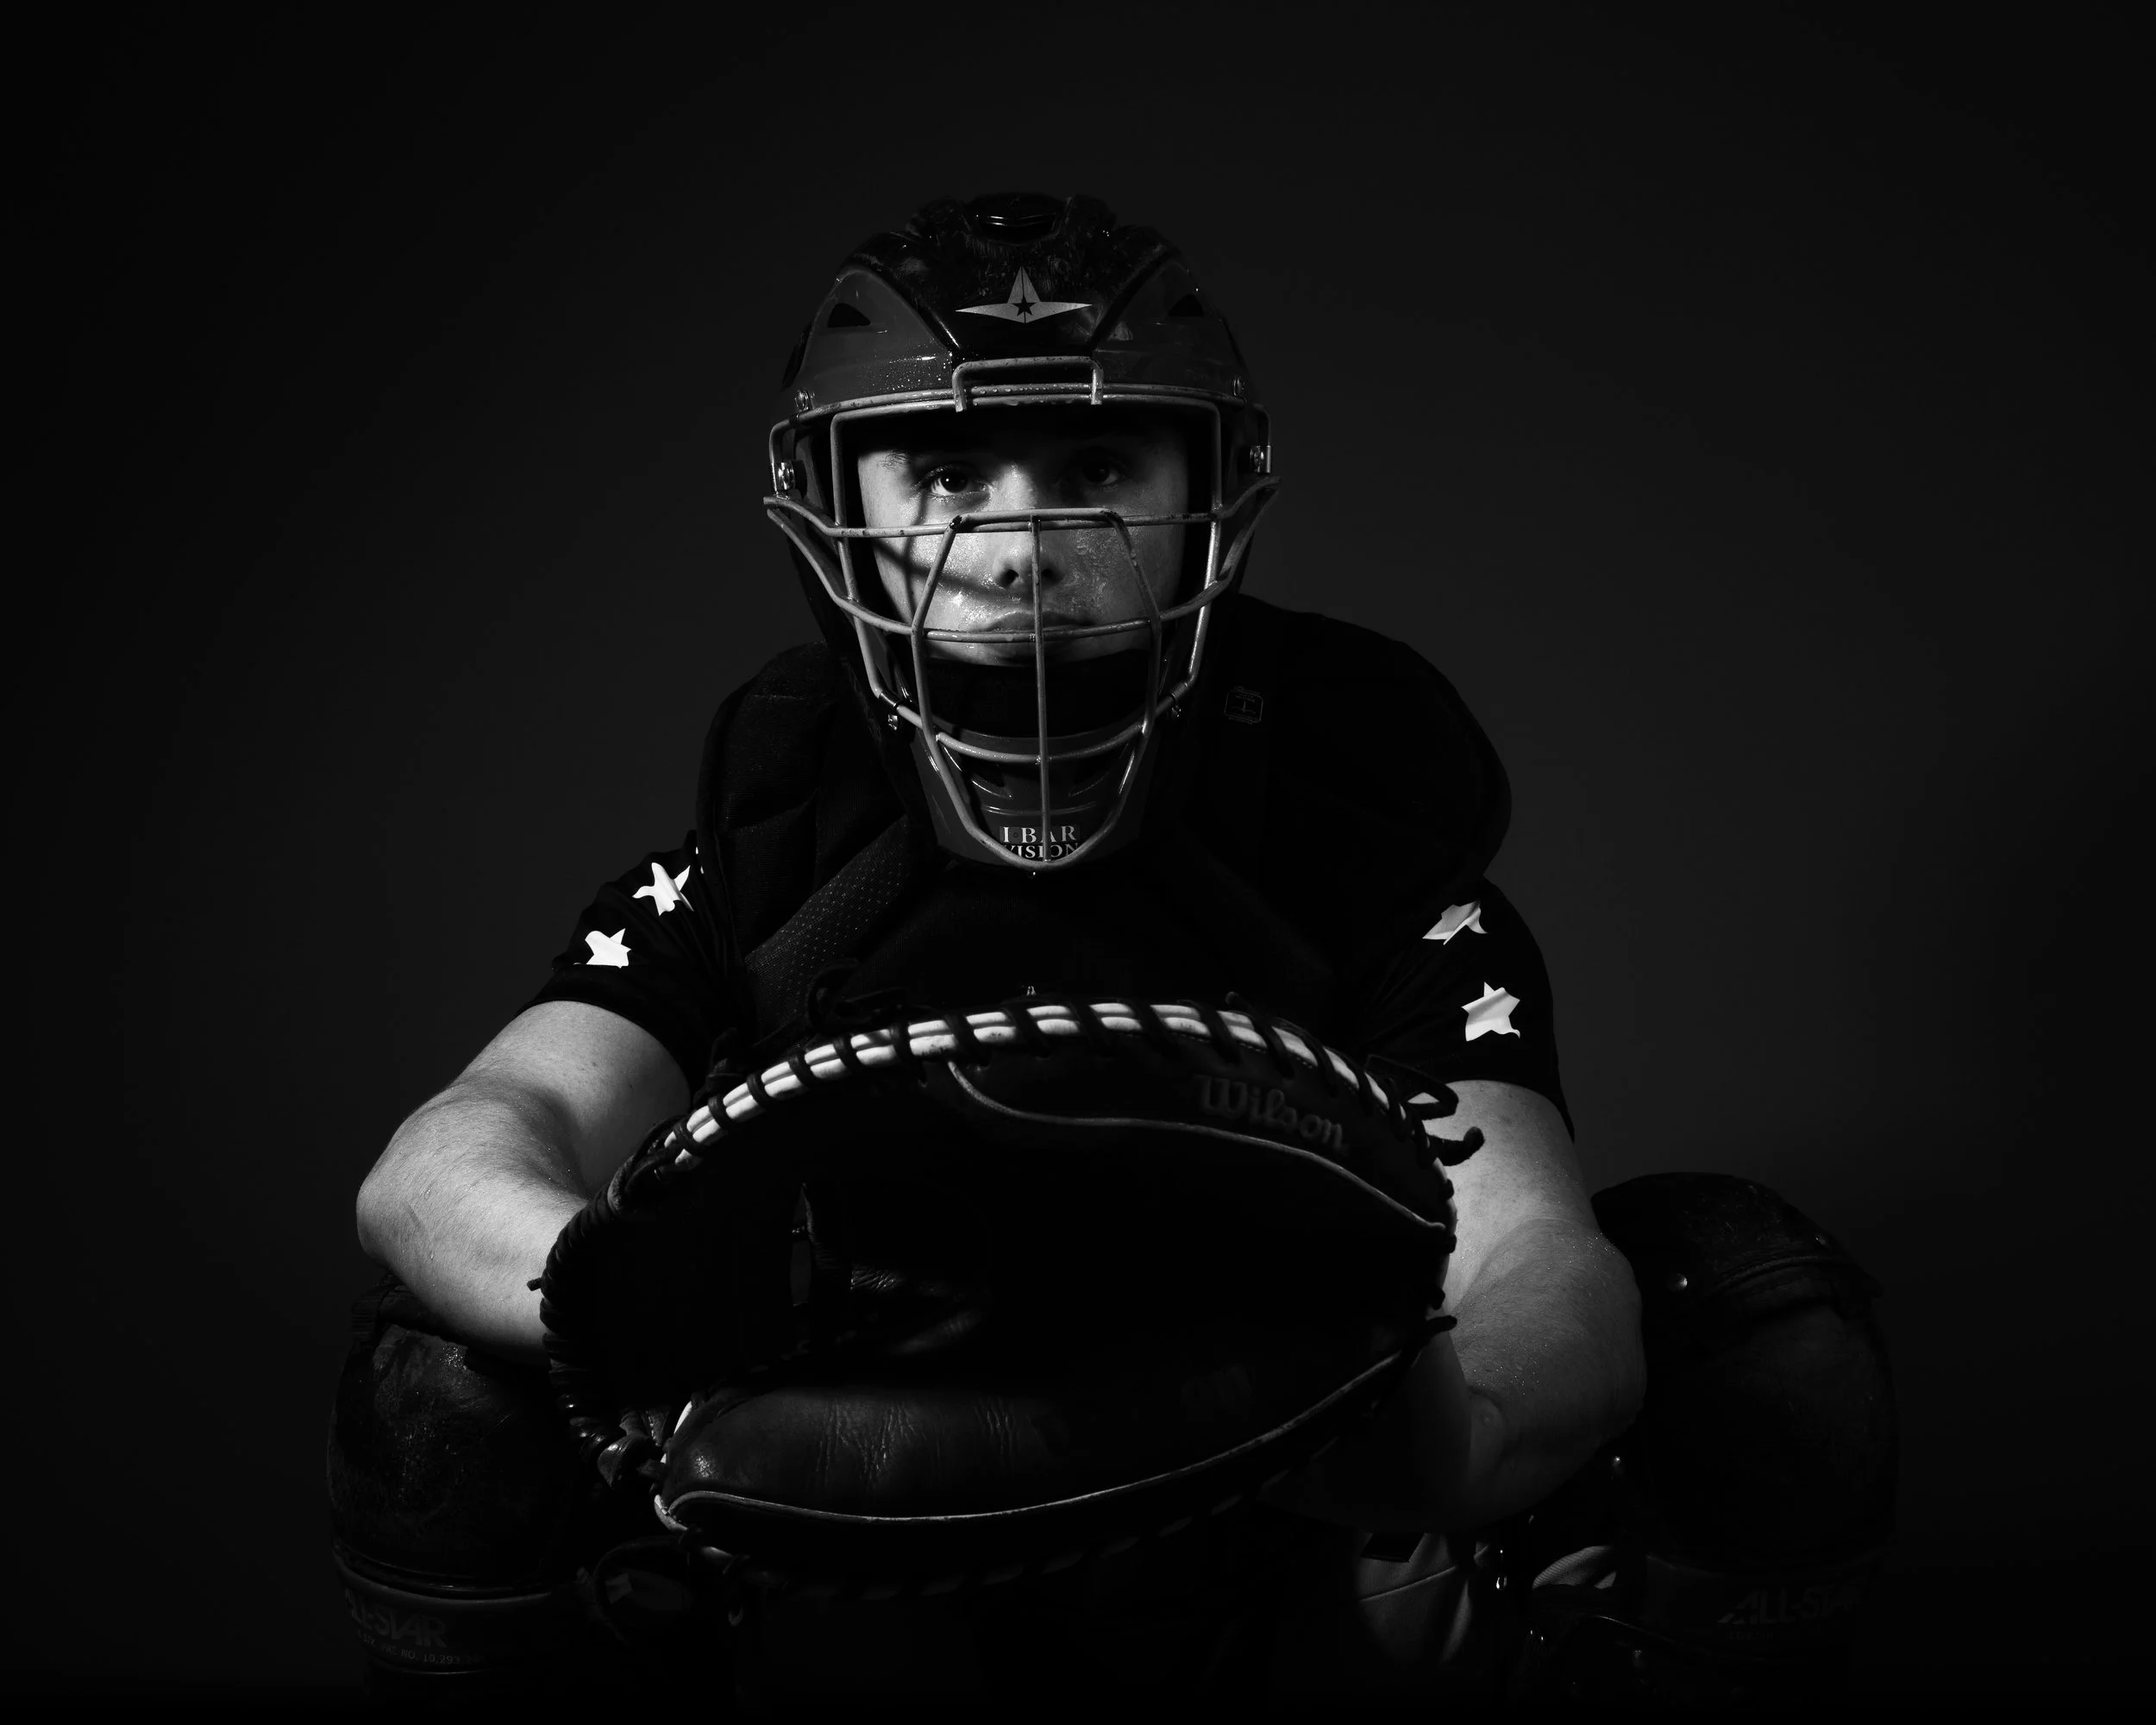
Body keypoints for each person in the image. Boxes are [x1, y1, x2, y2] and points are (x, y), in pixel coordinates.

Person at [335, 192, 1893, 1704]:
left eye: (1094, 461)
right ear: (839, 508)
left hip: (1289, 1544)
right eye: (946, 473)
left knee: (1741, 1298)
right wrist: (633, 1296)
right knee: (445, 1376)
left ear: (1212, 488)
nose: (1022, 541)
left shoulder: (1358, 843)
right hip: (850, 1539)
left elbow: (1541, 1263)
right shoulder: (775, 853)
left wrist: (1429, 1427)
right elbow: (449, 1160)